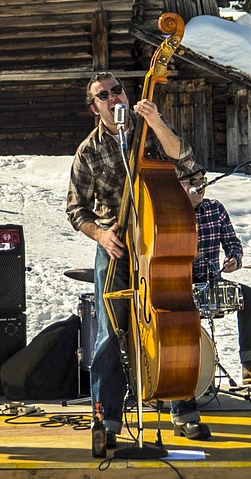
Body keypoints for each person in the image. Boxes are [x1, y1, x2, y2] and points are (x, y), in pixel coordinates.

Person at [65, 72, 211, 444]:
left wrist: (156, 121)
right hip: (115, 249)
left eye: (118, 91)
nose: (114, 98)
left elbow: (189, 165)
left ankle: (182, 407)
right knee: (110, 335)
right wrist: (100, 233)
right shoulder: (88, 151)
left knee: (168, 324)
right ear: (94, 107)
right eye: (104, 95)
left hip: (157, 244)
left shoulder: (150, 133)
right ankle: (108, 418)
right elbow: (75, 209)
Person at [179, 168, 251, 386]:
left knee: (247, 295)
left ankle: (249, 364)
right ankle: (193, 368)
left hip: (211, 282)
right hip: (180, 284)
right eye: (193, 181)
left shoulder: (215, 208)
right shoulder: (171, 211)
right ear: (179, 184)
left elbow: (233, 242)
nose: (200, 186)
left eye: (203, 181)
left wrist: (234, 259)